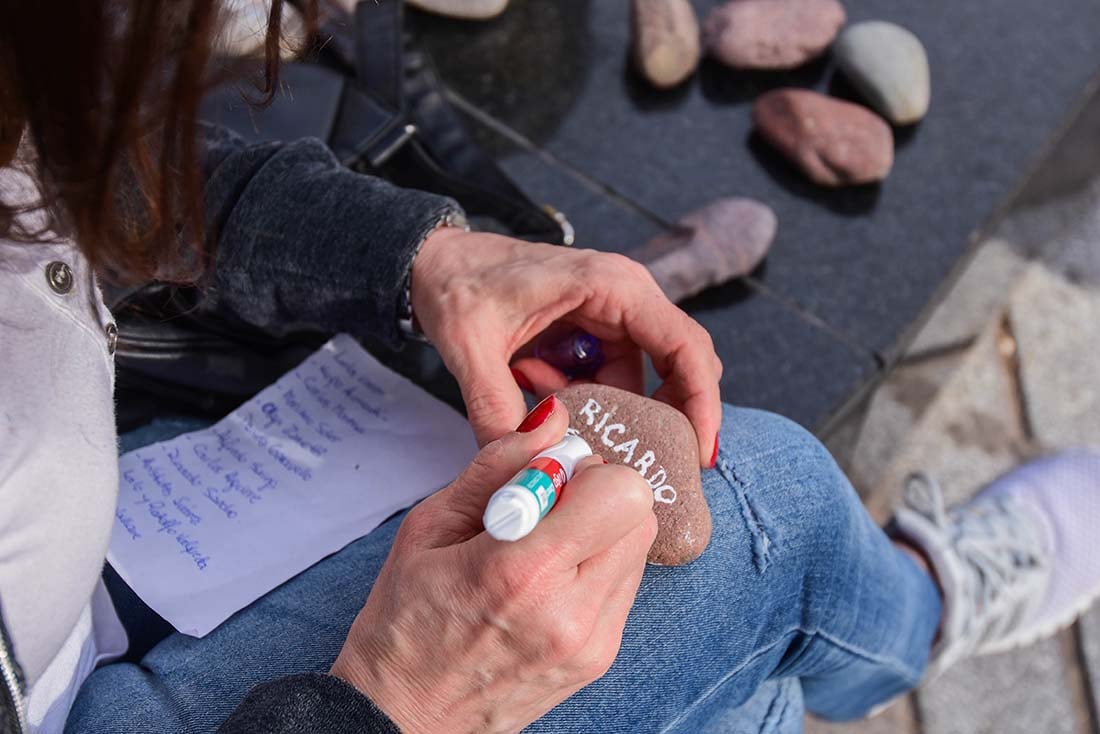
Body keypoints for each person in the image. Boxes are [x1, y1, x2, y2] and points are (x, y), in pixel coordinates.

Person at [1, 2, 1097, 733]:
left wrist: (424, 257)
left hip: (91, 576)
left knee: (722, 667)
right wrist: (394, 700)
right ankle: (921, 607)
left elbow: (55, 165)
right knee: (773, 511)